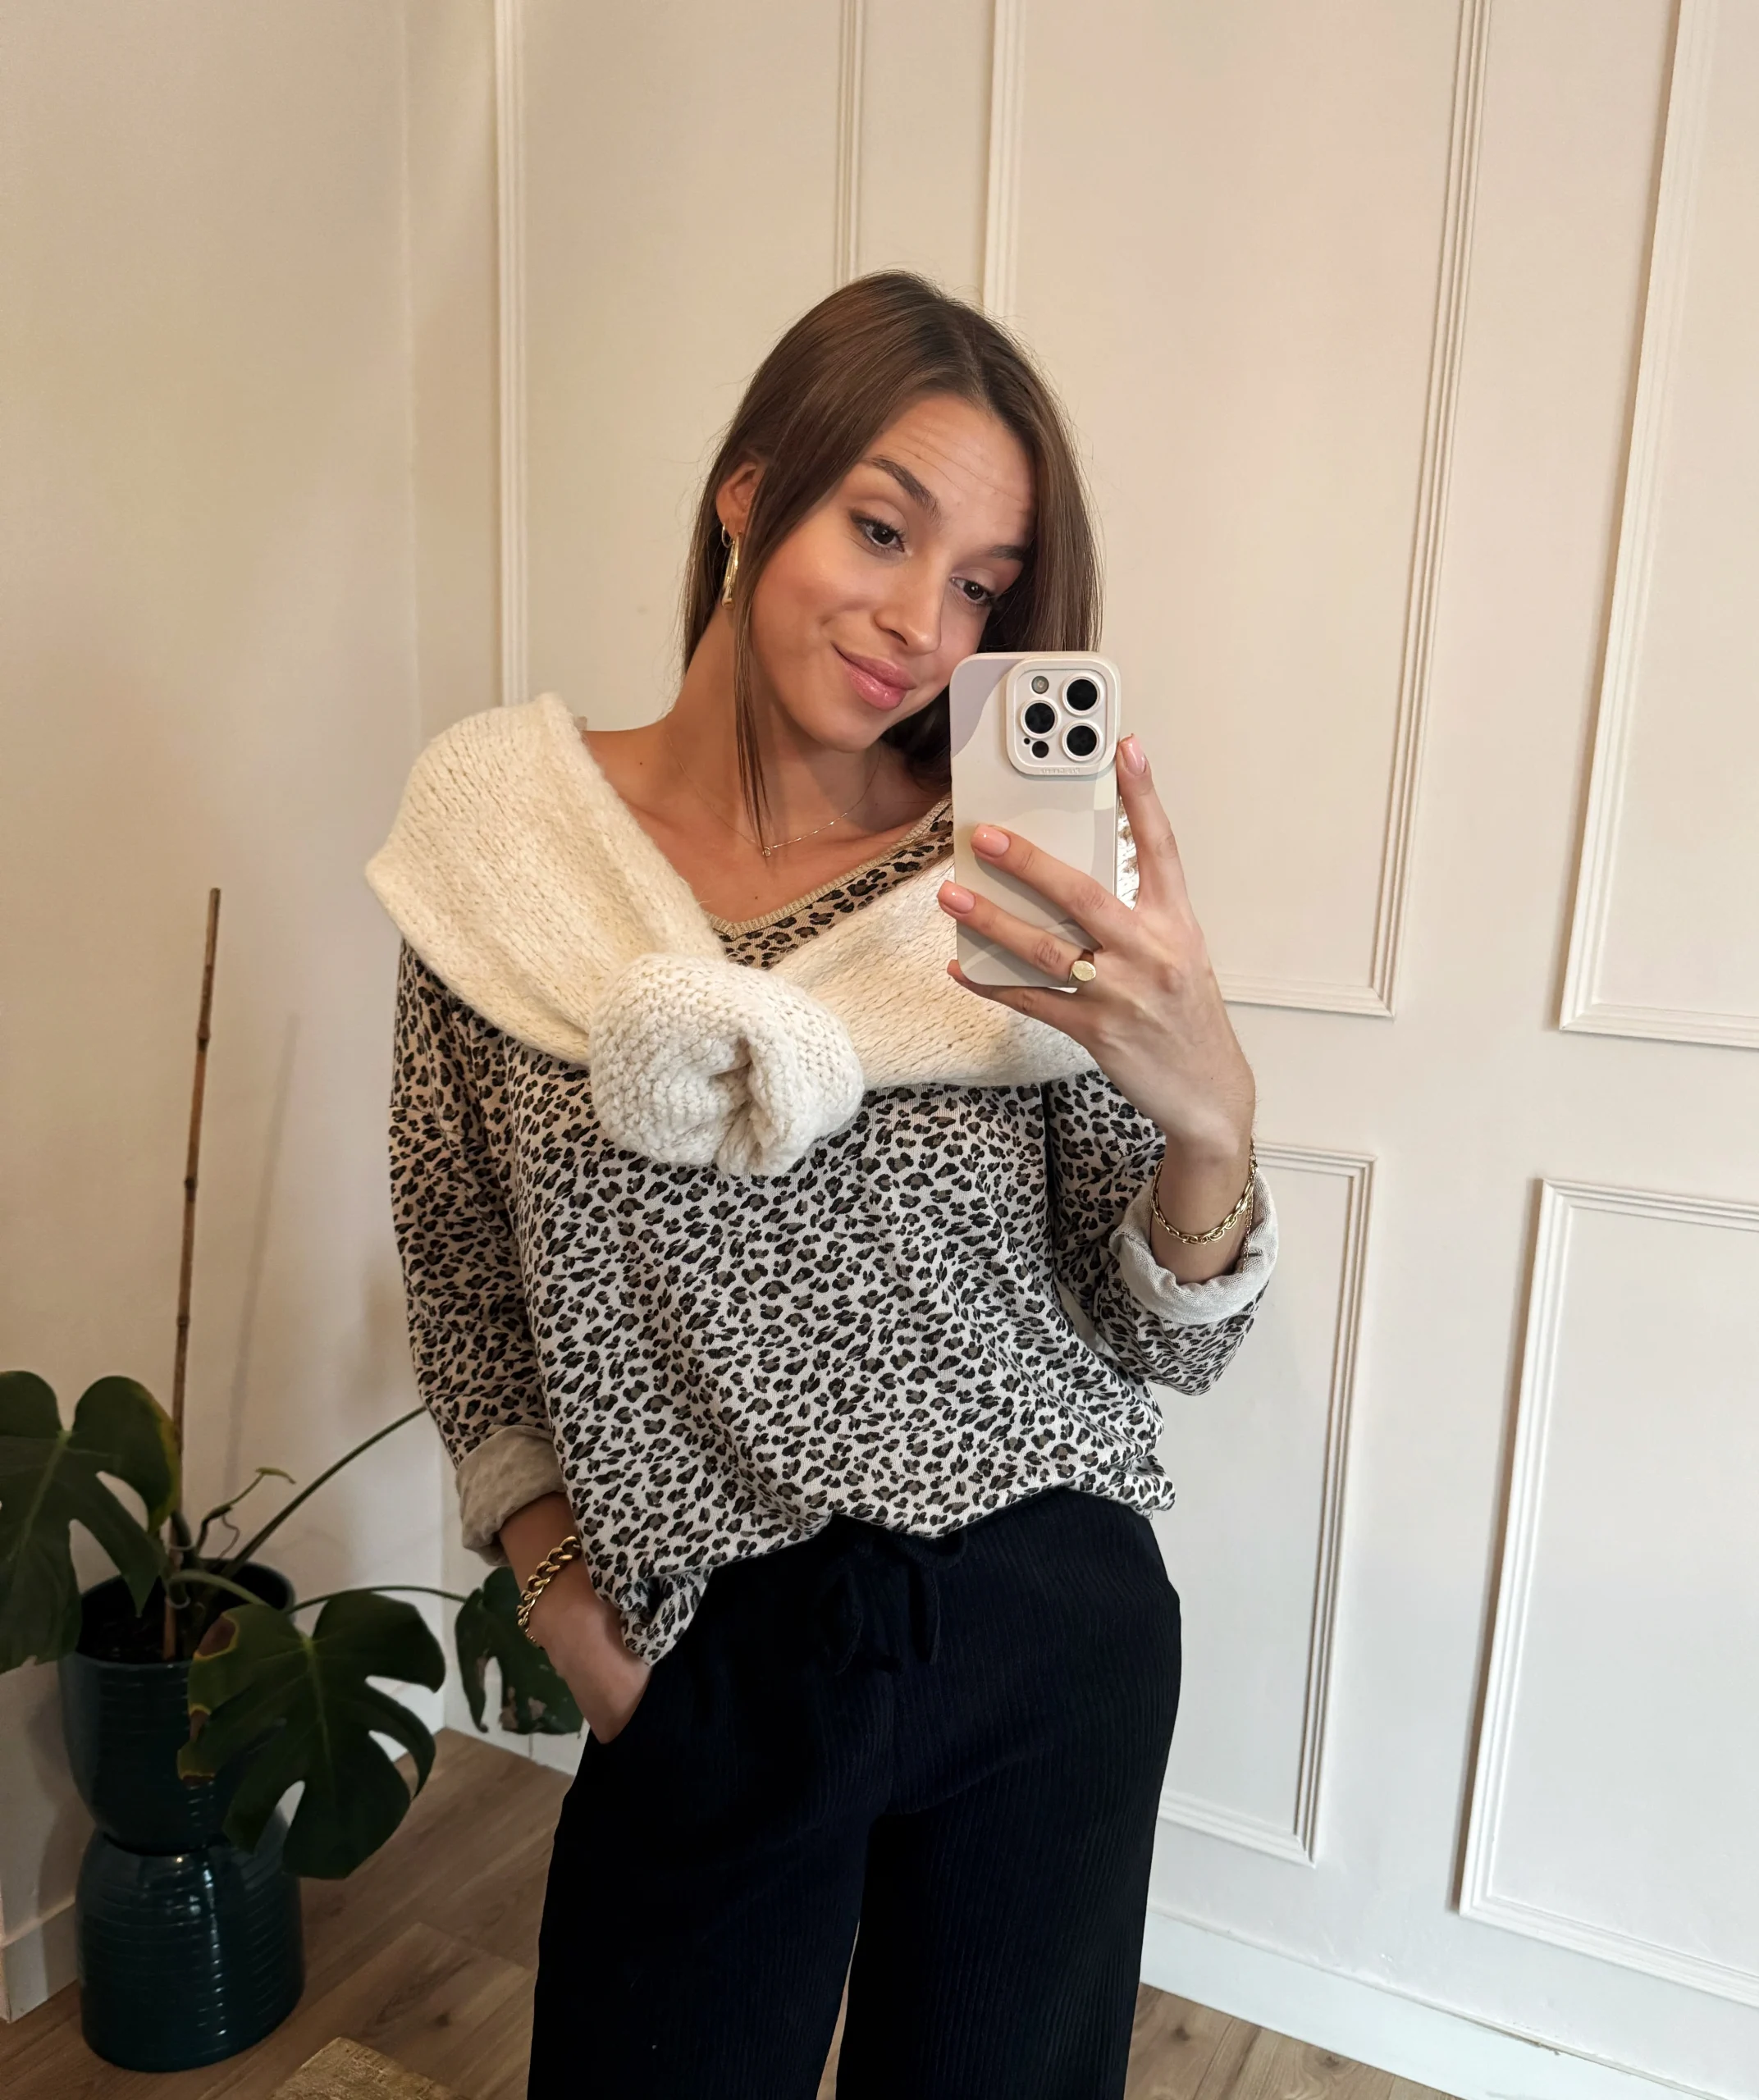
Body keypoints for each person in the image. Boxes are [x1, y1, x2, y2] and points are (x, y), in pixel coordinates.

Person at [370, 271, 1277, 2100]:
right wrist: (562, 1600)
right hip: (708, 1649)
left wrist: (1212, 1124)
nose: (920, 624)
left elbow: (1162, 1344)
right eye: (882, 527)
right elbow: (461, 1264)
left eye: (982, 587)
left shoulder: (1006, 881)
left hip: (1046, 1629)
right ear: (748, 490)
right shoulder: (507, 842)